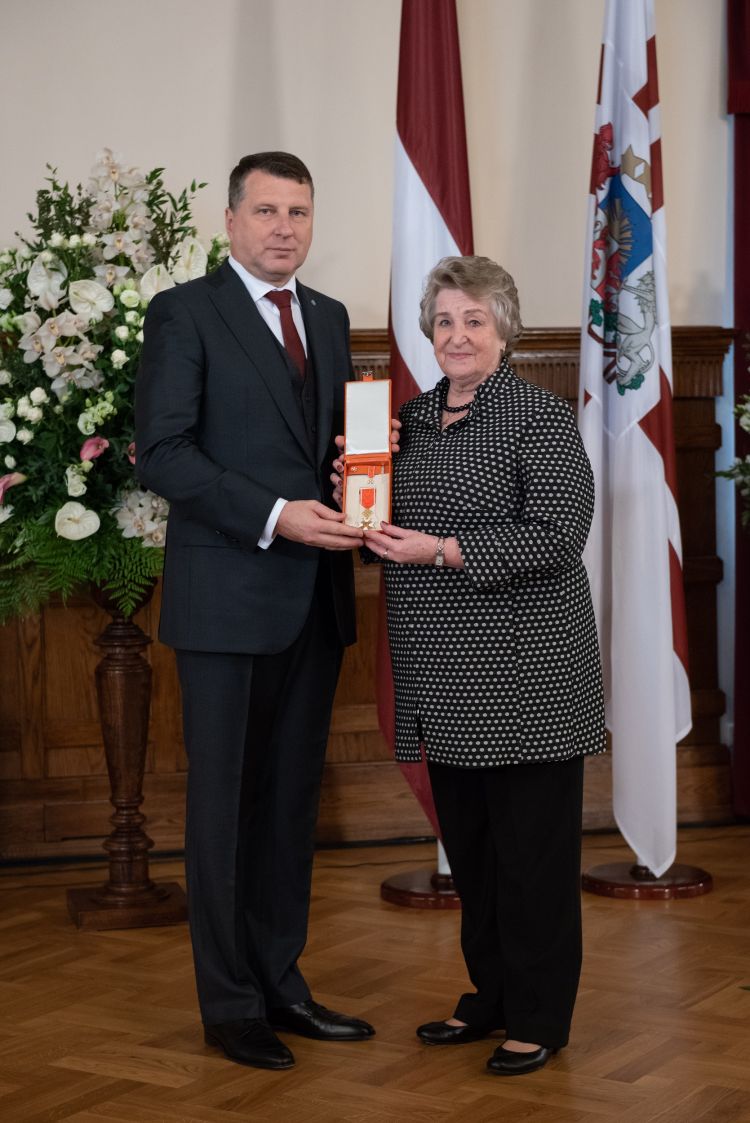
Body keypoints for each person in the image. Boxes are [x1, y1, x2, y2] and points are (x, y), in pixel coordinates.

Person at [135, 151, 377, 1071]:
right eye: (267, 211)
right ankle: (231, 1005)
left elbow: (322, 447)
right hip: (228, 601)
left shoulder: (329, 315)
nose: (284, 227)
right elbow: (162, 451)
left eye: (299, 212)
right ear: (231, 220)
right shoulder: (185, 312)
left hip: (314, 600)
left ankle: (282, 983)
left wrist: (361, 464)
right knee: (225, 809)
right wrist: (278, 514)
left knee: (287, 807)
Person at [359, 255, 606, 1077]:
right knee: (474, 857)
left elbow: (558, 534)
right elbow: (380, 528)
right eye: (444, 320)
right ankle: (492, 996)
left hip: (527, 677)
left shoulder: (539, 416)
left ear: (504, 328)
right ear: (428, 333)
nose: (457, 334)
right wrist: (359, 495)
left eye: (474, 319)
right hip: (442, 678)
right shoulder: (408, 421)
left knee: (533, 862)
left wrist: (442, 549)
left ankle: (539, 1017)